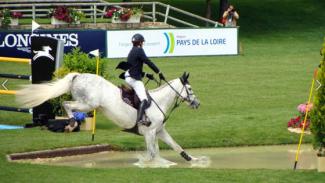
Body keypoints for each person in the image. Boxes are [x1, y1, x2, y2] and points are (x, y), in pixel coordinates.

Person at [124, 33, 165, 126]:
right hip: (133, 78)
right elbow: (148, 62)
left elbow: (135, 67)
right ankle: (140, 120)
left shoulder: (132, 51)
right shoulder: (139, 50)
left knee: (140, 94)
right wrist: (159, 72)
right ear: (140, 42)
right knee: (144, 99)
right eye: (142, 42)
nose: (143, 44)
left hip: (128, 75)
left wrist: (146, 74)